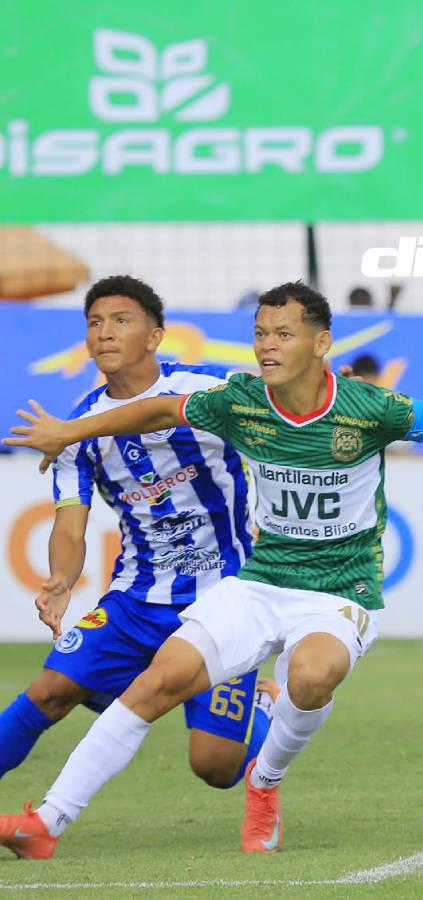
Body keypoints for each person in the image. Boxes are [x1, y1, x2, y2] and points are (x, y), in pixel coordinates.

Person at [0, 281, 423, 858]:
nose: (267, 346)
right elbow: (155, 411)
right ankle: (46, 823)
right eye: (259, 334)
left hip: (338, 591)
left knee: (307, 678)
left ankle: (266, 783)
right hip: (259, 583)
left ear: (321, 342)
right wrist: (70, 431)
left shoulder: (369, 407)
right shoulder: (240, 402)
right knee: (158, 683)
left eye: (283, 334)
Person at [0, 274, 275, 804]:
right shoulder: (76, 430)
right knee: (50, 691)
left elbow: (285, 400)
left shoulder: (208, 391)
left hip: (225, 596)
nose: (105, 333)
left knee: (215, 767)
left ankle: (261, 714)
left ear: (154, 337)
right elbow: (69, 521)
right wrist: (61, 579)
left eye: (121, 321)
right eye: (95, 323)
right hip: (136, 599)